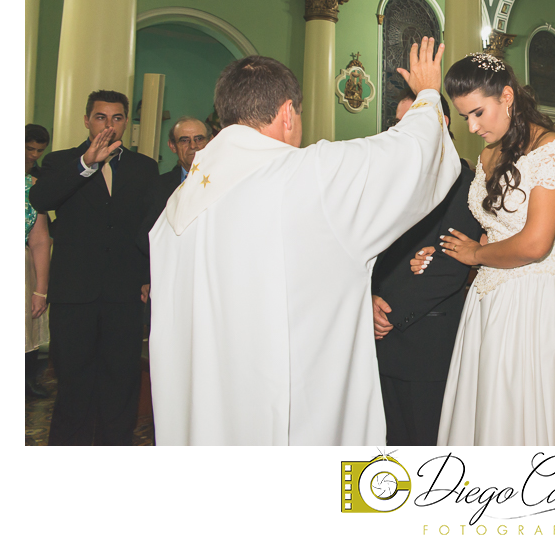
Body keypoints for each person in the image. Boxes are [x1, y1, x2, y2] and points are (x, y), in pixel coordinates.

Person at [148, 39, 459, 445]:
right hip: (299, 413)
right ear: (288, 114)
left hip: (209, 412)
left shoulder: (177, 208)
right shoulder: (308, 177)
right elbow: (412, 155)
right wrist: (428, 95)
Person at [425, 52, 555, 445]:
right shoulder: (490, 152)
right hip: (488, 299)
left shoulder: (553, 151)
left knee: (540, 412)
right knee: (492, 411)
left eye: (477, 113)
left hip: (537, 299)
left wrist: (475, 253)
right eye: (464, 117)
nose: (471, 127)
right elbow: (496, 222)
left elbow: (536, 243)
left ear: (506, 97)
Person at [29, 91, 160, 444]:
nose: (109, 125)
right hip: (74, 293)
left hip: (125, 293)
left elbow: (151, 227)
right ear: (87, 120)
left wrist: (149, 276)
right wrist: (86, 163)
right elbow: (40, 200)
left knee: (121, 381)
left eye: (117, 118)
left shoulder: (144, 167)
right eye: (101, 117)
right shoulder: (60, 163)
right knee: (73, 382)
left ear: (125, 123)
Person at [371, 89, 482, 446]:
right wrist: (369, 298)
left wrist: (390, 313)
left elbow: (448, 268)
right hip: (376, 341)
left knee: (426, 450)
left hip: (425, 343)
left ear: (441, 124)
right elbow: (370, 250)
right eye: (399, 127)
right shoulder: (388, 184)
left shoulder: (464, 186)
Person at [25, 124, 51, 398]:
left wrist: (40, 289)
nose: (33, 155)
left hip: (24, 263)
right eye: (29, 148)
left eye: (39, 151)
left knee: (27, 328)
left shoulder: (36, 184)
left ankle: (26, 380)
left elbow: (41, 238)